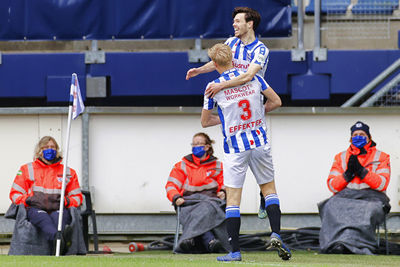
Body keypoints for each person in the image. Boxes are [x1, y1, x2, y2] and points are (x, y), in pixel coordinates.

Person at [201, 43, 291, 261]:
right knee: (269, 189)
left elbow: (205, 122)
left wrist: (224, 122)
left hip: (235, 147)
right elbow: (277, 101)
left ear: (214, 63)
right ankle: (276, 232)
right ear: (232, 57)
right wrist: (259, 113)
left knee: (233, 199)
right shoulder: (254, 76)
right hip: (259, 141)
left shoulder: (213, 87)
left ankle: (235, 252)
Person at [186, 6, 270, 220]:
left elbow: (249, 76)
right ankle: (253, 195)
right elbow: (218, 61)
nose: (234, 25)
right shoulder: (231, 42)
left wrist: (221, 86)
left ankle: (264, 194)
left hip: (252, 103)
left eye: (238, 21)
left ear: (249, 24)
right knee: (240, 152)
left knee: (259, 153)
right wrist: (200, 70)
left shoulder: (260, 49)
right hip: (234, 106)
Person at [319, 121, 391, 254]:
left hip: (372, 199)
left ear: (369, 137)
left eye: (362, 134)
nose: (358, 137)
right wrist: (347, 175)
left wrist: (362, 171)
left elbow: (381, 184)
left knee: (368, 210)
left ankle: (359, 247)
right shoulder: (340, 157)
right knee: (329, 205)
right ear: (350, 138)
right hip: (345, 197)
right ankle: (335, 245)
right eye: (355, 134)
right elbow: (332, 186)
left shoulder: (382, 157)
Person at [9, 136, 83, 254]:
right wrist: (29, 200)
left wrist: (66, 201)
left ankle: (59, 243)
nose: (50, 149)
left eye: (53, 147)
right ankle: (62, 242)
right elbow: (14, 194)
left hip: (59, 208)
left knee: (58, 218)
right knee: (44, 219)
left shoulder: (68, 172)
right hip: (36, 208)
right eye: (46, 147)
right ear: (39, 150)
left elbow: (78, 198)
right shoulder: (26, 169)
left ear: (57, 150)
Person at [165, 132, 229, 253]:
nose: (196, 146)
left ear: (207, 146)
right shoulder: (181, 166)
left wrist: (223, 191)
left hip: (211, 201)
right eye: (194, 144)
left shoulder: (218, 166)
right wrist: (176, 197)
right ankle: (210, 241)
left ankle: (189, 239)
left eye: (199, 144)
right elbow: (171, 185)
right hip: (188, 202)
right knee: (199, 210)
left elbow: (226, 183)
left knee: (204, 207)